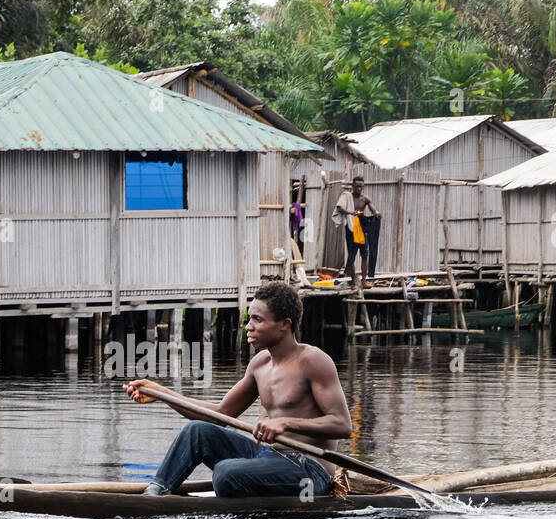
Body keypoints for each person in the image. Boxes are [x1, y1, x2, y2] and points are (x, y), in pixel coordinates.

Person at [124, 281, 353, 498]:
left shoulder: (313, 360)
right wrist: (162, 393)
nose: (249, 327)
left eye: (257, 320)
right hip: (270, 457)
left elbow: (342, 425)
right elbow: (220, 415)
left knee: (226, 473)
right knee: (197, 431)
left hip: (309, 472)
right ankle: (156, 493)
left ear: (284, 324)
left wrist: (286, 422)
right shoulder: (260, 364)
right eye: (249, 318)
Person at [332, 176, 380, 285]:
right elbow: (339, 208)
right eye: (357, 186)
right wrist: (350, 213)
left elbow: (373, 209)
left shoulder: (365, 199)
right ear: (353, 186)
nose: (359, 189)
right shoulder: (347, 196)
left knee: (364, 253)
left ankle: (363, 281)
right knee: (352, 254)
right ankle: (353, 280)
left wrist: (377, 213)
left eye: (361, 187)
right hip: (351, 226)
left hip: (362, 227)